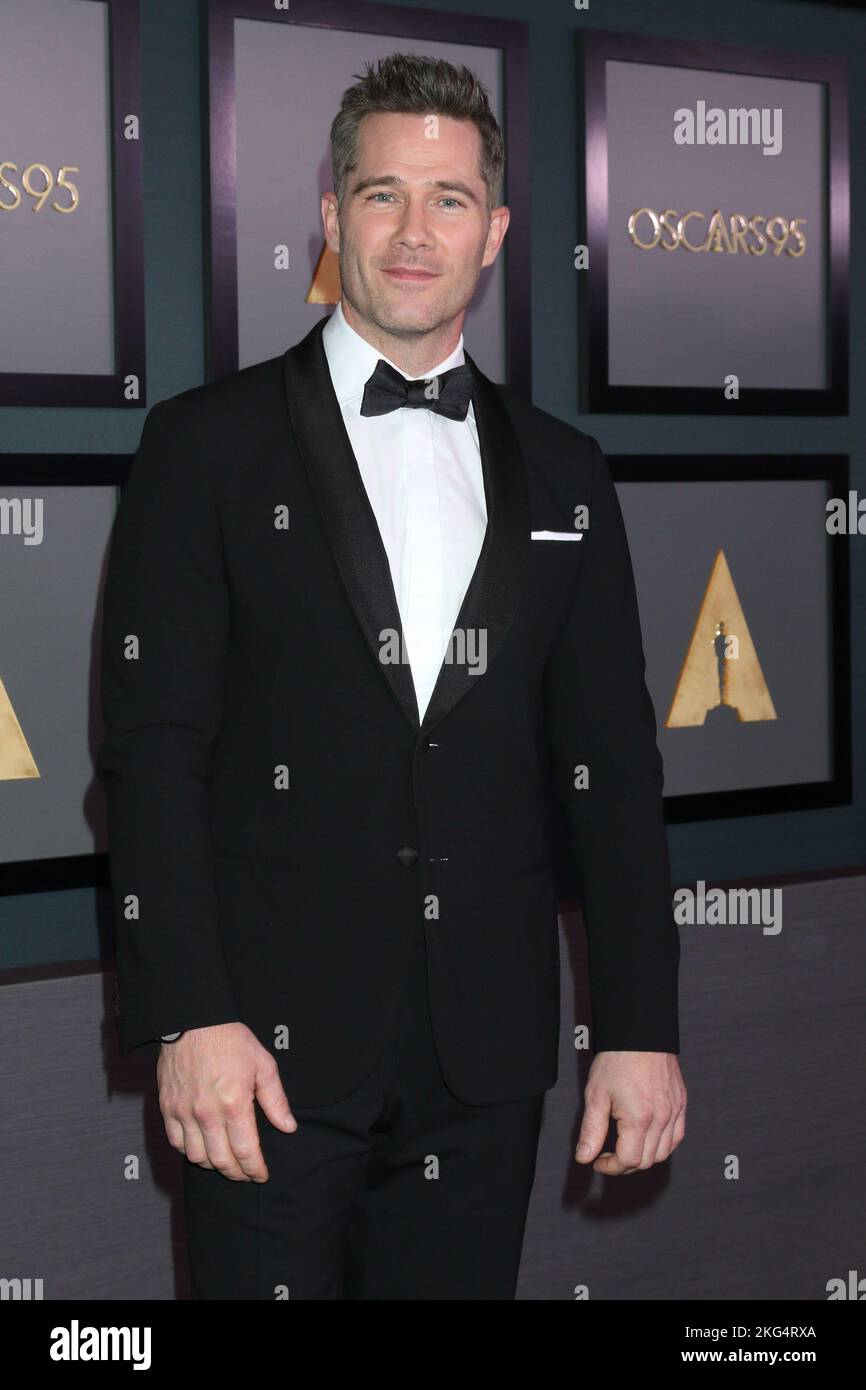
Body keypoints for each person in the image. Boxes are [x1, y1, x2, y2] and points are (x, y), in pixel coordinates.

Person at [97, 52, 686, 1301]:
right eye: (380, 196)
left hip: (484, 1062)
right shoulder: (205, 447)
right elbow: (150, 752)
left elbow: (615, 769)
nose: (414, 233)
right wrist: (187, 1016)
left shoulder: (567, 472)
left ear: (497, 231)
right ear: (330, 216)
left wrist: (636, 1025)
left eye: (450, 200)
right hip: (259, 1057)